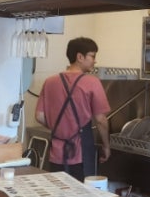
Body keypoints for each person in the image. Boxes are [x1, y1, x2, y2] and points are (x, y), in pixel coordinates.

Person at [35, 37, 111, 181]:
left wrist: (61, 128)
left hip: (56, 154)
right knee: (81, 192)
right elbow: (101, 120)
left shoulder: (50, 82)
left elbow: (39, 116)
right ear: (80, 57)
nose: (95, 61)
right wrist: (106, 146)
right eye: (92, 56)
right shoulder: (92, 82)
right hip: (81, 153)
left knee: (58, 190)